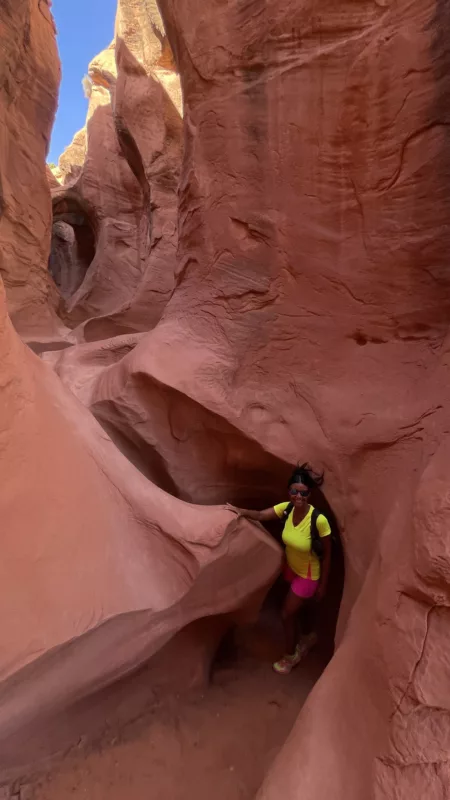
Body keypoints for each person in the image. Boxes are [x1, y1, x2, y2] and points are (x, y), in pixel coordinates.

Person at [229, 463, 332, 675]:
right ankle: (307, 635)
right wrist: (239, 511)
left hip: (308, 574)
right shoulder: (286, 508)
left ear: (309, 494)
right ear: (289, 491)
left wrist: (323, 584)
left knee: (286, 614)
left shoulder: (318, 520)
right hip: (291, 567)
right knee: (297, 607)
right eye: (294, 491)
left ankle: (290, 655)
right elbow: (259, 515)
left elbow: (328, 553)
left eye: (303, 492)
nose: (298, 496)